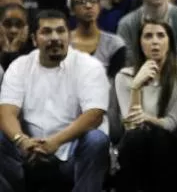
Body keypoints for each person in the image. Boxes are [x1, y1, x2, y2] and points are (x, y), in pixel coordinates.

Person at [0, 10, 109, 192]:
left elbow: (94, 115)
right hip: (28, 152)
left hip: (71, 153)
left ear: (69, 35)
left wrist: (55, 142)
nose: (55, 38)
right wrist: (21, 141)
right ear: (34, 39)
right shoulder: (19, 66)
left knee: (96, 139)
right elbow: (6, 112)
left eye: (60, 31)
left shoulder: (89, 66)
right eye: (46, 32)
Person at [114, 20, 177, 191]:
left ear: (170, 42)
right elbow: (130, 126)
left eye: (161, 35)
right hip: (136, 146)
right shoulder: (124, 76)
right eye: (148, 36)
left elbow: (171, 124)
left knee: (157, 136)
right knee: (136, 137)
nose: (155, 41)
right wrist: (136, 87)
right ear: (140, 43)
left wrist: (147, 118)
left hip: (172, 146)